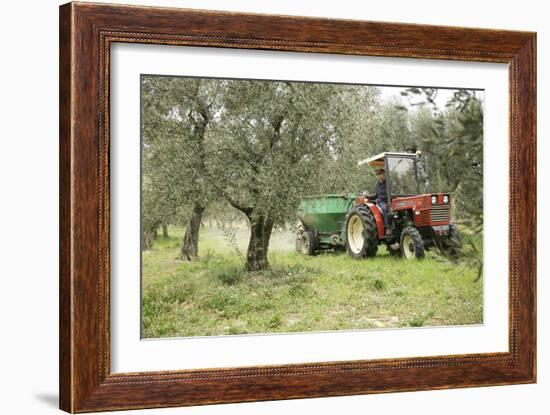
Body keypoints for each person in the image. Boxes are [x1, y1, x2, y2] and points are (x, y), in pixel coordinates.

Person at [374, 168, 390, 232]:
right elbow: (376, 195)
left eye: (383, 174)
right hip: (382, 202)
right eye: (380, 175)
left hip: (389, 201)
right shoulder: (376, 185)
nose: (382, 176)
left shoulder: (388, 183)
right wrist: (368, 196)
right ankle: (387, 227)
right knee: (385, 208)